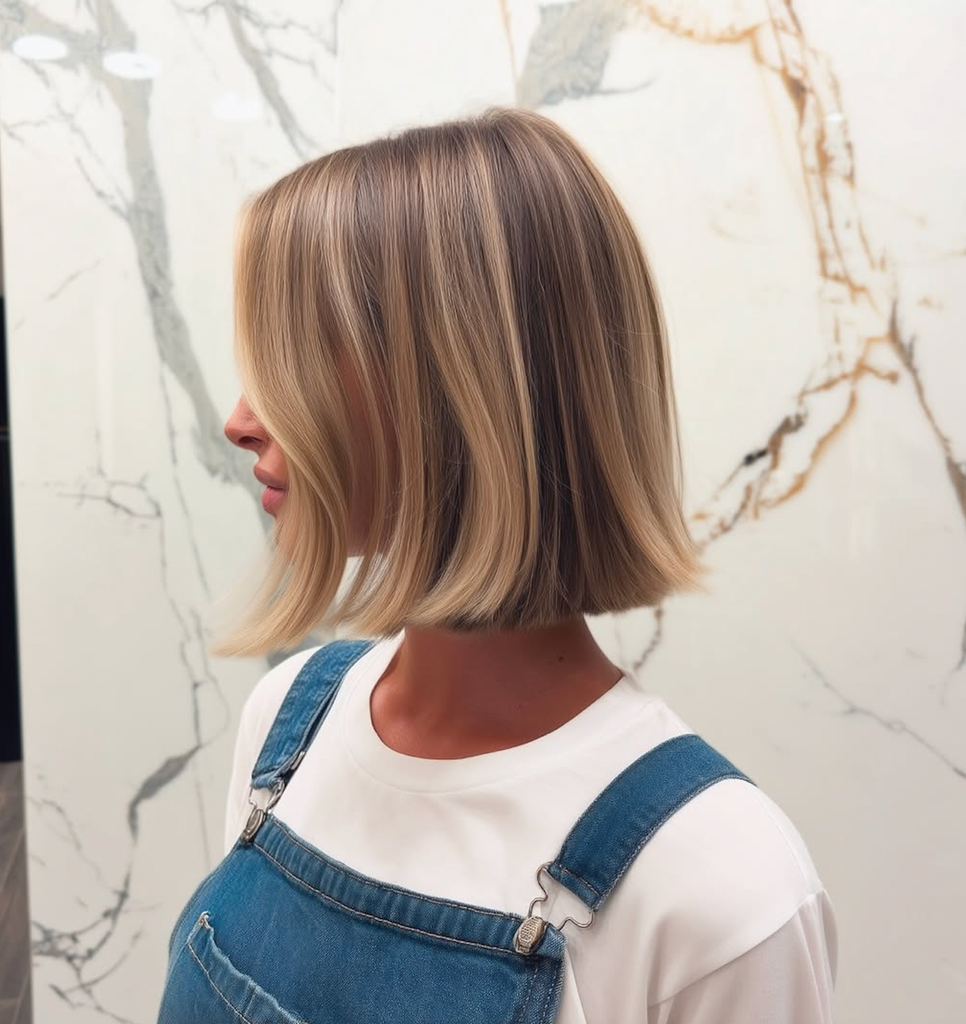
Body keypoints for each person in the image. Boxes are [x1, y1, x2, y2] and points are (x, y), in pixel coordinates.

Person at [158, 107, 837, 1023]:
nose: (240, 420)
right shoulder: (288, 725)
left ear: (458, 388)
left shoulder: (720, 892)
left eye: (296, 360)